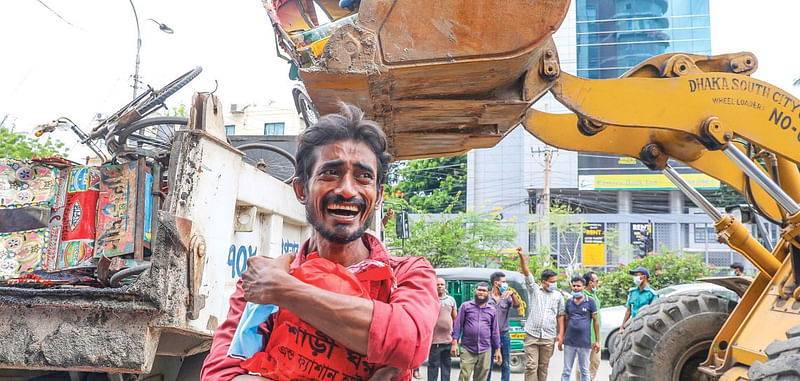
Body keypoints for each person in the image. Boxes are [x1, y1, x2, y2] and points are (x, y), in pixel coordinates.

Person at [200, 103, 439, 380]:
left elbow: (409, 343)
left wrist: (285, 290)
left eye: (364, 177)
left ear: (379, 194)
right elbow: (220, 374)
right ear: (301, 189)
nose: (348, 190)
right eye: (330, 173)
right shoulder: (260, 280)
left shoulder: (407, 273)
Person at [517, 248, 565, 381]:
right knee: (532, 365)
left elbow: (561, 315)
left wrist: (561, 334)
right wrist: (521, 256)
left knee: (543, 366)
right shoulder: (534, 290)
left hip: (549, 336)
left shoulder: (558, 296)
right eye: (552, 281)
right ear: (544, 282)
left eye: (555, 281)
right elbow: (527, 273)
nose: (554, 284)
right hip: (532, 334)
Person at [452, 282, 502, 381]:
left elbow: (495, 331)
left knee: (481, 377)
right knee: (464, 376)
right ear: (475, 291)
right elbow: (458, 325)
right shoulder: (465, 306)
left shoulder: (492, 310)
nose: (481, 292)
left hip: (485, 349)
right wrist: (454, 343)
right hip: (467, 348)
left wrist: (498, 349)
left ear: (488, 293)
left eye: (484, 291)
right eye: (479, 290)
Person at [559, 276, 600, 381]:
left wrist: (597, 341)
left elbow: (595, 321)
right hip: (569, 341)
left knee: (584, 370)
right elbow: (566, 320)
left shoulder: (590, 302)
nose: (576, 288)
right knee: (566, 370)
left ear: (583, 287)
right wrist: (561, 337)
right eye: (574, 286)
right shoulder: (568, 302)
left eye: (578, 286)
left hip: (584, 342)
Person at [486, 270, 520, 381]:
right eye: (503, 282)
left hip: (503, 335)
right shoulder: (487, 298)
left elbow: (517, 305)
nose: (506, 284)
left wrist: (512, 293)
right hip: (488, 336)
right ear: (496, 283)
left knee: (505, 363)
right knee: (487, 364)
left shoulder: (507, 297)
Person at [574, 271, 601, 380]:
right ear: (590, 283)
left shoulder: (594, 295)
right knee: (582, 365)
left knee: (595, 363)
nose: (598, 283)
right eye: (596, 281)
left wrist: (598, 340)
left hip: (595, 337)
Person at [429, 277, 457, 381]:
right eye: (438, 284)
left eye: (442, 284)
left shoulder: (451, 300)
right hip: (434, 341)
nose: (440, 286)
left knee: (446, 367)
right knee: (433, 367)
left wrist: (455, 338)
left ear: (445, 286)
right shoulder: (430, 300)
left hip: (447, 340)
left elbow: (455, 319)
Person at [619, 266, 658, 334]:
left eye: (637, 275)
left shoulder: (652, 294)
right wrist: (622, 327)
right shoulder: (632, 292)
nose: (635, 278)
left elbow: (654, 313)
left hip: (645, 326)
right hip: (633, 324)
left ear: (644, 277)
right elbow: (628, 311)